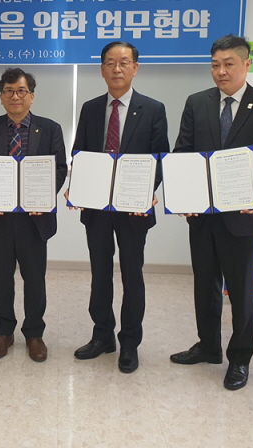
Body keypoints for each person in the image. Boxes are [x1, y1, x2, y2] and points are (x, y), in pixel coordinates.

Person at [170, 35, 253, 390]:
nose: (221, 71)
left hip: (244, 214)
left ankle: (239, 359)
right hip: (202, 215)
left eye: (228, 64)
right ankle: (208, 346)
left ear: (246, 64)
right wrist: (183, 194)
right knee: (204, 285)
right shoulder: (197, 102)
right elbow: (183, 153)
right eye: (215, 65)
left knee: (240, 291)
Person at [69, 40, 169, 373]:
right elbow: (80, 153)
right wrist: (77, 188)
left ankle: (129, 343)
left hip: (133, 210)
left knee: (131, 275)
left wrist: (148, 192)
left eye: (124, 62)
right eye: (110, 63)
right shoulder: (90, 108)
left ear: (135, 68)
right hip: (97, 208)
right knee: (100, 274)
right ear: (102, 70)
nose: (117, 69)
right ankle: (102, 336)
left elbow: (160, 157)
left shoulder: (153, 109)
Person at [0, 68, 67, 362]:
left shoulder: (50, 129)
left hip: (34, 218)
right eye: (9, 91)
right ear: (1, 97)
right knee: (1, 277)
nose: (15, 96)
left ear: (32, 96)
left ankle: (34, 334)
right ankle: (3, 332)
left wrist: (44, 198)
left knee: (35, 277)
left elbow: (59, 168)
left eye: (21, 91)